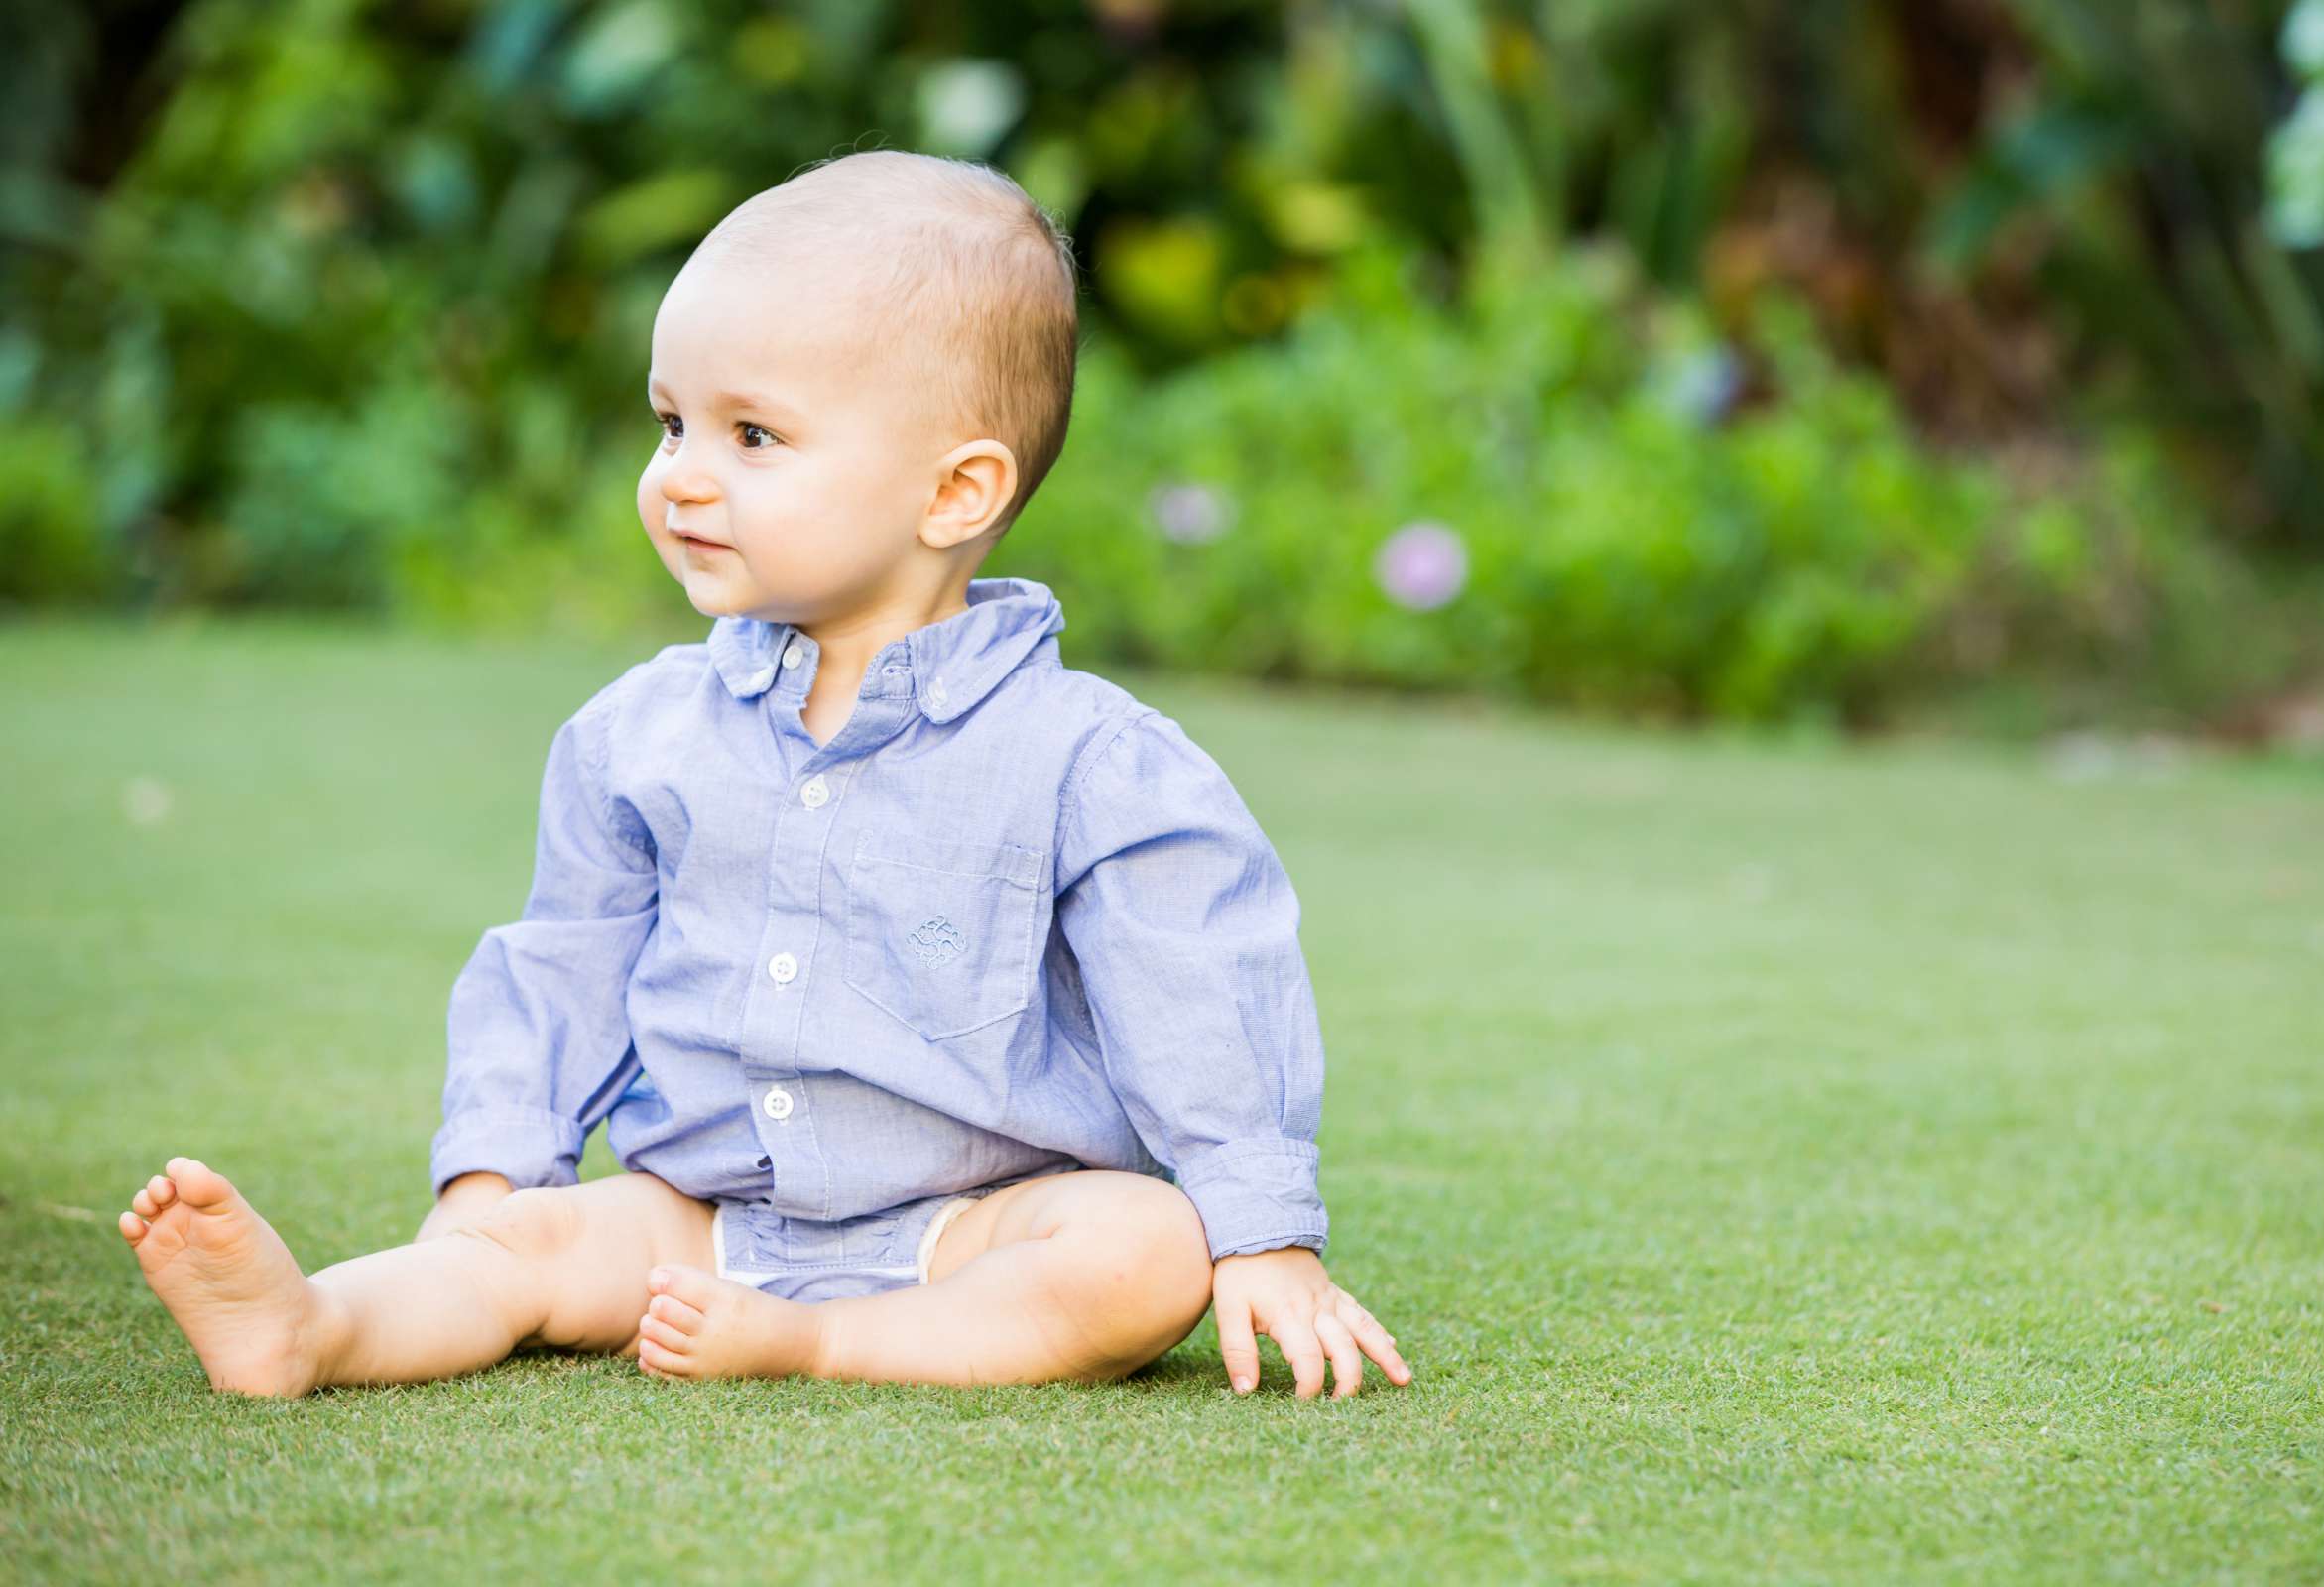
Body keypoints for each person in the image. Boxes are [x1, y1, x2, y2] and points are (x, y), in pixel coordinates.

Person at [118, 150, 1411, 1402]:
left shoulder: (1087, 758)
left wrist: (1262, 1232)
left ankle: (833, 1341)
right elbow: (561, 961)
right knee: (519, 1247)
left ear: (954, 491)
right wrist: (493, 1181)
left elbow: (1198, 979)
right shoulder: (639, 735)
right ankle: (310, 1328)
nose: (681, 475)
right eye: (672, 421)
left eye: (751, 435)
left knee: (1148, 1252)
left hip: (975, 1224)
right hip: (696, 1221)